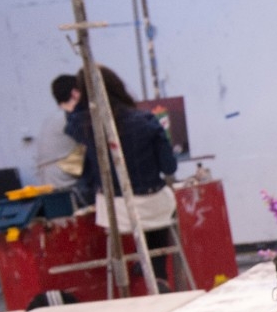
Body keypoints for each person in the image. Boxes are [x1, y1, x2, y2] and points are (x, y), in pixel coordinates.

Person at [66, 65, 177, 283]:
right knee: (156, 219)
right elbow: (169, 167)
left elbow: (83, 174)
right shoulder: (146, 120)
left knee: (124, 215)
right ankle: (158, 273)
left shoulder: (83, 126)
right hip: (152, 204)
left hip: (114, 212)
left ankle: (135, 270)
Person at [31, 74, 91, 206]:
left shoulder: (50, 119)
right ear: (75, 93)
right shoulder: (70, 118)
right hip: (66, 185)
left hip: (49, 182)